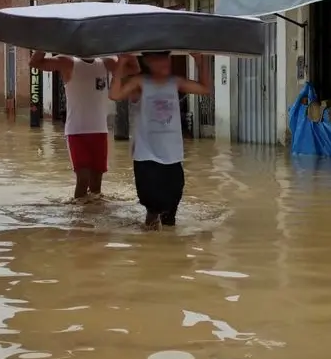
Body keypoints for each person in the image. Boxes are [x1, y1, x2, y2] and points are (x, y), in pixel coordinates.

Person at [110, 52, 211, 229]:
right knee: (152, 205)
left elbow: (205, 89)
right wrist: (121, 63)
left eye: (167, 57)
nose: (166, 62)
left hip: (172, 154)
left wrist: (200, 62)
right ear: (148, 61)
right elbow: (115, 94)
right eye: (160, 58)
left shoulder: (175, 82)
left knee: (172, 205)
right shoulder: (141, 82)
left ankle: (169, 247)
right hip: (146, 154)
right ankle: (149, 243)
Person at [29, 51, 139, 199]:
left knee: (96, 185)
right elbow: (34, 63)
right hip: (76, 131)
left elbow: (134, 69)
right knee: (83, 180)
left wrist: (123, 51)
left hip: (100, 131)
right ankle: (78, 218)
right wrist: (43, 44)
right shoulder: (67, 61)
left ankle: (92, 217)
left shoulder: (106, 62)